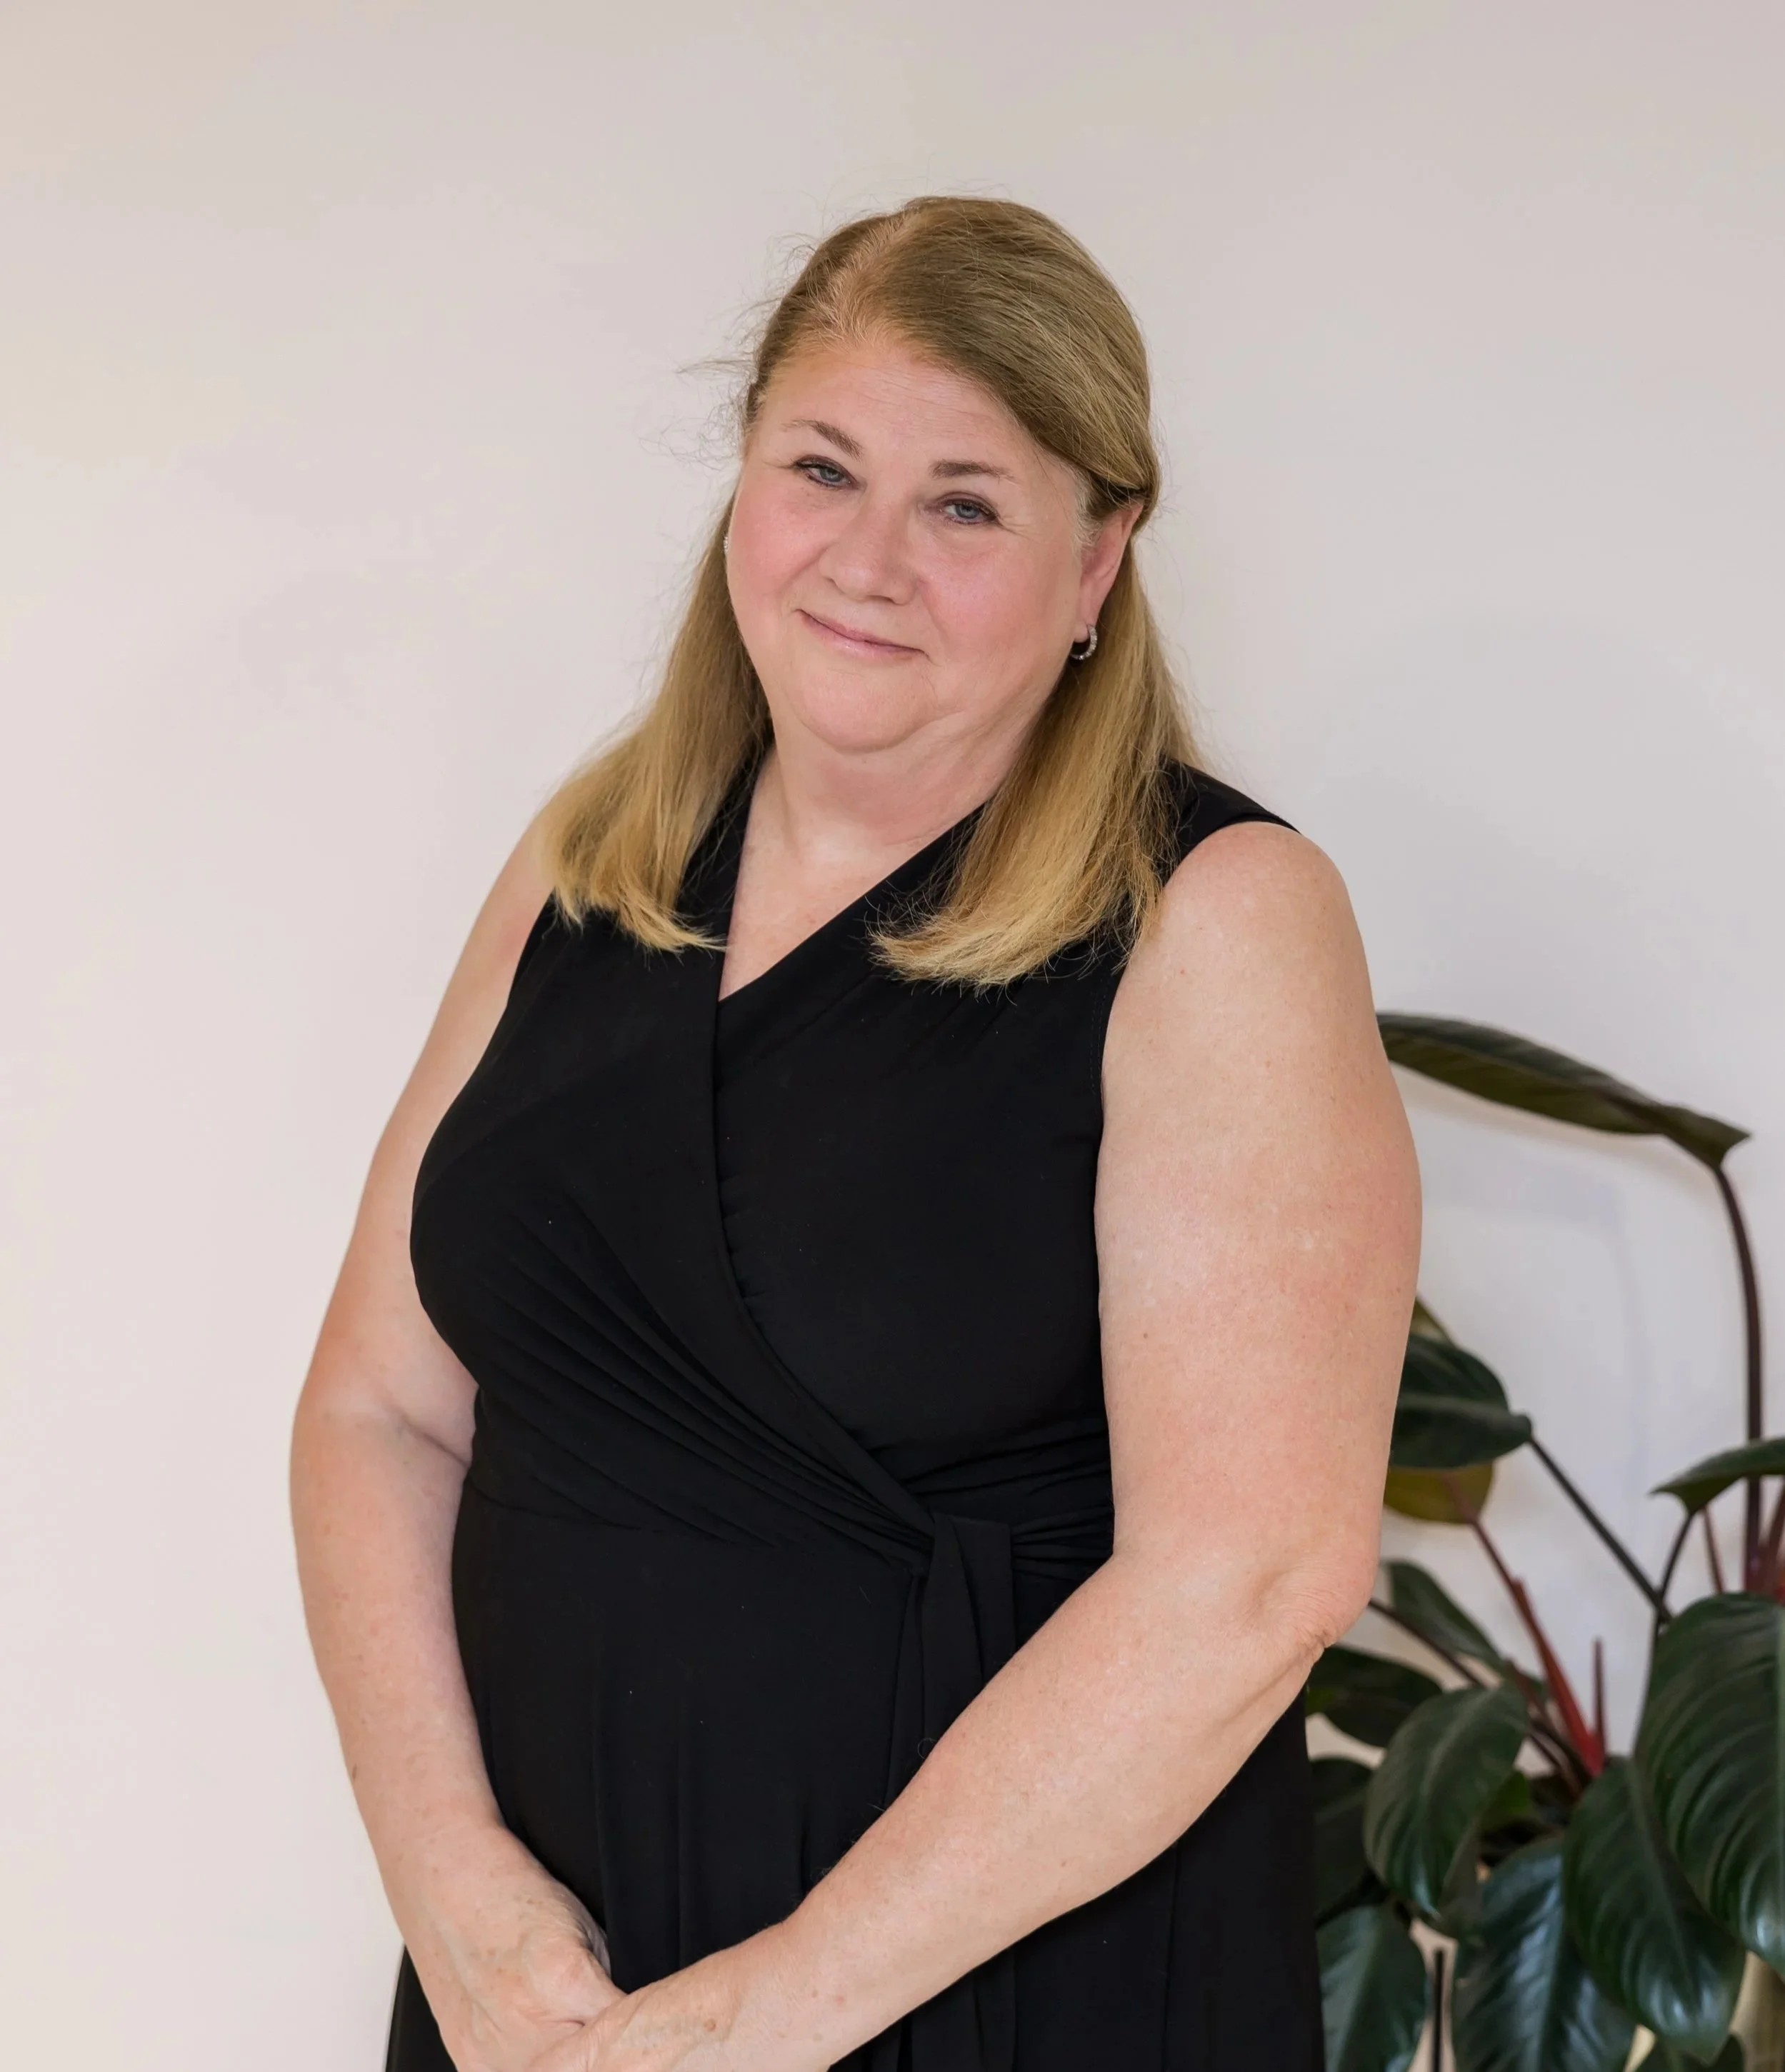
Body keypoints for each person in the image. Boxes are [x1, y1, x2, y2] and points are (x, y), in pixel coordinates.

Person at [291, 194, 1421, 2072]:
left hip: (979, 1986)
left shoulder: (1220, 917)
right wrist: (459, 1900)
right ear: (742, 486)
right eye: (823, 468)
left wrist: (756, 2023)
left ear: (1098, 558)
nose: (870, 559)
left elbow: (1252, 1580)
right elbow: (376, 1406)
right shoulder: (598, 859)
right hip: (555, 1998)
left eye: (966, 501)